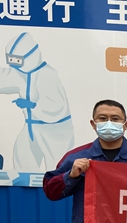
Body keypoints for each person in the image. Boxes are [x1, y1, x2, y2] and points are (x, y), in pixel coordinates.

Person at [2, 32, 75, 171]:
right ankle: (23, 184)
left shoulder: (47, 74)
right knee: (23, 160)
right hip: (31, 127)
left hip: (55, 131)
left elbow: (57, 108)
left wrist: (32, 106)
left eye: (17, 60)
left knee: (57, 168)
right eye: (11, 60)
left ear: (30, 56)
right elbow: (4, 77)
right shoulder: (20, 73)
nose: (13, 64)